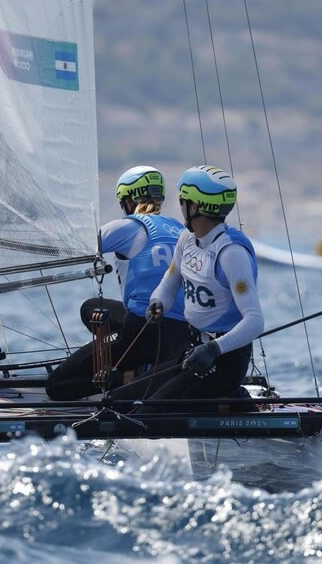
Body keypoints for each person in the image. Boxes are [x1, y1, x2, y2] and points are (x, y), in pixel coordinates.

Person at [107, 165, 264, 412]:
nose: (180, 207)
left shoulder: (231, 253)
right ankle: (216, 401)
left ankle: (232, 397)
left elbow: (255, 321)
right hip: (192, 353)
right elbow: (170, 282)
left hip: (223, 360)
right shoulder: (186, 240)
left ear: (194, 206)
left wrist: (214, 349)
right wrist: (159, 302)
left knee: (146, 415)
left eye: (182, 201)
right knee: (118, 400)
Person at [45, 166, 191, 400]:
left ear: (128, 200)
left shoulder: (129, 227)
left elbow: (72, 245)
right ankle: (151, 370)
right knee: (90, 309)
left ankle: (130, 377)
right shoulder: (181, 231)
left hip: (145, 334)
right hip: (181, 336)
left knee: (57, 385)